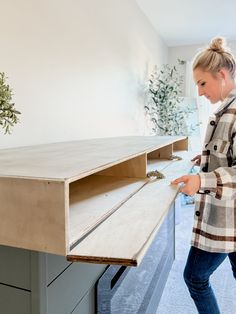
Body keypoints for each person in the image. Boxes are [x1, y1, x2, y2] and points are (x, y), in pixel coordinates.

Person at [171, 37, 236, 314]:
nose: (199, 92)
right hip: (228, 221)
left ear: (221, 75)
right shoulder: (222, 113)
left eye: (202, 83)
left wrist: (202, 180)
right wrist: (206, 160)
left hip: (225, 221)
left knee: (195, 277)